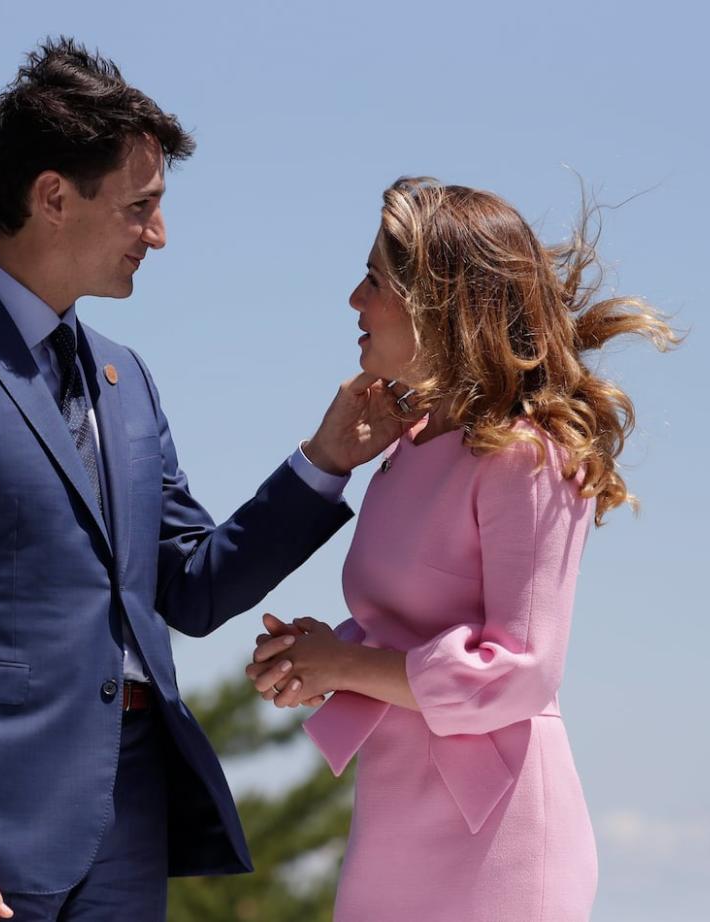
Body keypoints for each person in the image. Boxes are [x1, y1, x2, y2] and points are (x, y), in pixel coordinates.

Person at [0, 38, 395, 922]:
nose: (158, 235)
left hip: (131, 819)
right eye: (141, 208)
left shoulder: (127, 379)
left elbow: (191, 587)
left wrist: (323, 463)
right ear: (53, 196)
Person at [247, 177, 677, 921]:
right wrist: (320, 657)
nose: (354, 299)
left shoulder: (528, 457)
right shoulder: (405, 452)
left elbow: (523, 670)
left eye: (375, 280)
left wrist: (347, 664)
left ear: (439, 304)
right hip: (394, 820)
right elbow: (411, 632)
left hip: (503, 835)